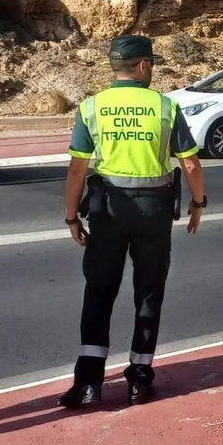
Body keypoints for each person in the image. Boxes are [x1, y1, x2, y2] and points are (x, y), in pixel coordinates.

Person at [58, 35, 207, 409]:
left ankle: (88, 383)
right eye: (151, 64)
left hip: (107, 210)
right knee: (148, 294)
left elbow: (77, 168)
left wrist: (71, 215)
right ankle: (139, 380)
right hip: (154, 213)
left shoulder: (92, 107)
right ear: (143, 66)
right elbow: (189, 162)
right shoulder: (164, 106)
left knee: (99, 293)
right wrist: (198, 203)